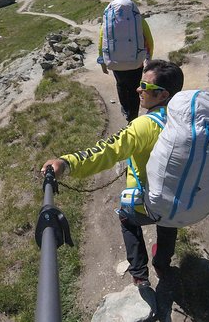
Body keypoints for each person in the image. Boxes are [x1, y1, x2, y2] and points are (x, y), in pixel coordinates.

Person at [41, 59, 184, 289]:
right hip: (176, 199)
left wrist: (67, 163)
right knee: (168, 222)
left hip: (145, 205)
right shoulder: (184, 120)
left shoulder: (143, 126)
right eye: (140, 83)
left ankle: (139, 274)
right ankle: (162, 262)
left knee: (127, 218)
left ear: (163, 95)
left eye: (145, 87)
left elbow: (106, 151)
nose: (138, 89)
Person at [99, 0, 154, 122]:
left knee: (121, 84)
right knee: (135, 86)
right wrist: (148, 58)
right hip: (136, 62)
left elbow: (102, 42)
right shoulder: (138, 19)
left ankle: (125, 107)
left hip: (116, 63)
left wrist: (102, 63)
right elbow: (149, 40)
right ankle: (133, 116)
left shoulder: (108, 20)